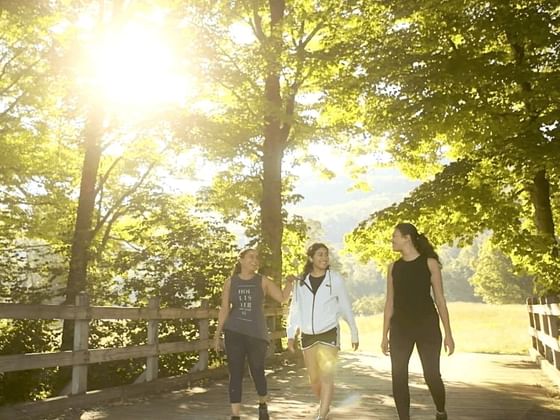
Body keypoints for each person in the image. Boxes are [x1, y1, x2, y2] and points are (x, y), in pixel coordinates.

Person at [381, 223, 455, 420]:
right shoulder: (393, 268)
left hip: (427, 326)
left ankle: (440, 410)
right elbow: (390, 302)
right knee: (398, 376)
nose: (392, 240)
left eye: (395, 236)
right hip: (400, 328)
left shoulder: (429, 263)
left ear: (407, 238)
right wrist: (384, 335)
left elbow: (440, 300)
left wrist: (448, 334)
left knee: (431, 375)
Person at [213, 248, 296, 420]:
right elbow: (224, 310)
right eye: (251, 257)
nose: (255, 260)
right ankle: (235, 415)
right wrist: (217, 334)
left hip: (256, 334)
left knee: (257, 370)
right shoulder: (231, 282)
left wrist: (289, 283)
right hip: (234, 331)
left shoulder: (262, 281)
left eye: (257, 257)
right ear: (241, 260)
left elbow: (282, 298)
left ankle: (262, 404)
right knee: (235, 372)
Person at [286, 242, 359, 420]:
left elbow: (345, 306)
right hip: (308, 335)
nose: (324, 258)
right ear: (311, 258)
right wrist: (290, 334)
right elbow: (295, 309)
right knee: (314, 379)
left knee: (327, 377)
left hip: (328, 332)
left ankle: (322, 414)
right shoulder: (301, 281)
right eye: (320, 254)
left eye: (326, 254)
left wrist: (354, 332)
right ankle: (325, 406)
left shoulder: (335, 279)